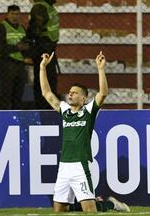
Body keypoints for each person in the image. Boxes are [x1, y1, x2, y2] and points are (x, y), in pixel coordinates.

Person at [40, 51, 108, 212]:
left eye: (75, 92)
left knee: (89, 210)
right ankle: (104, 203)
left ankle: (110, 205)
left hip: (80, 166)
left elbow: (103, 93)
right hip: (64, 166)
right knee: (59, 210)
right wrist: (43, 68)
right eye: (70, 92)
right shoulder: (65, 110)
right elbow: (47, 94)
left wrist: (101, 69)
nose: (70, 94)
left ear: (83, 99)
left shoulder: (89, 111)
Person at [0, 4, 33, 109]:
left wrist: (27, 52)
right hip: (7, 64)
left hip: (20, 65)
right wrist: (17, 47)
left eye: (17, 14)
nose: (15, 16)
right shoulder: (1, 27)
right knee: (6, 94)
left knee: (18, 94)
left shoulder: (22, 29)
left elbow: (27, 46)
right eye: (13, 14)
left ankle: (16, 116)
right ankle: (4, 117)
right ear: (7, 14)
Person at [27, 0, 60, 109]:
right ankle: (44, 107)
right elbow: (35, 29)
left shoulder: (46, 6)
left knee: (50, 80)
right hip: (43, 48)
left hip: (48, 48)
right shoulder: (41, 7)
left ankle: (48, 106)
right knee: (44, 81)